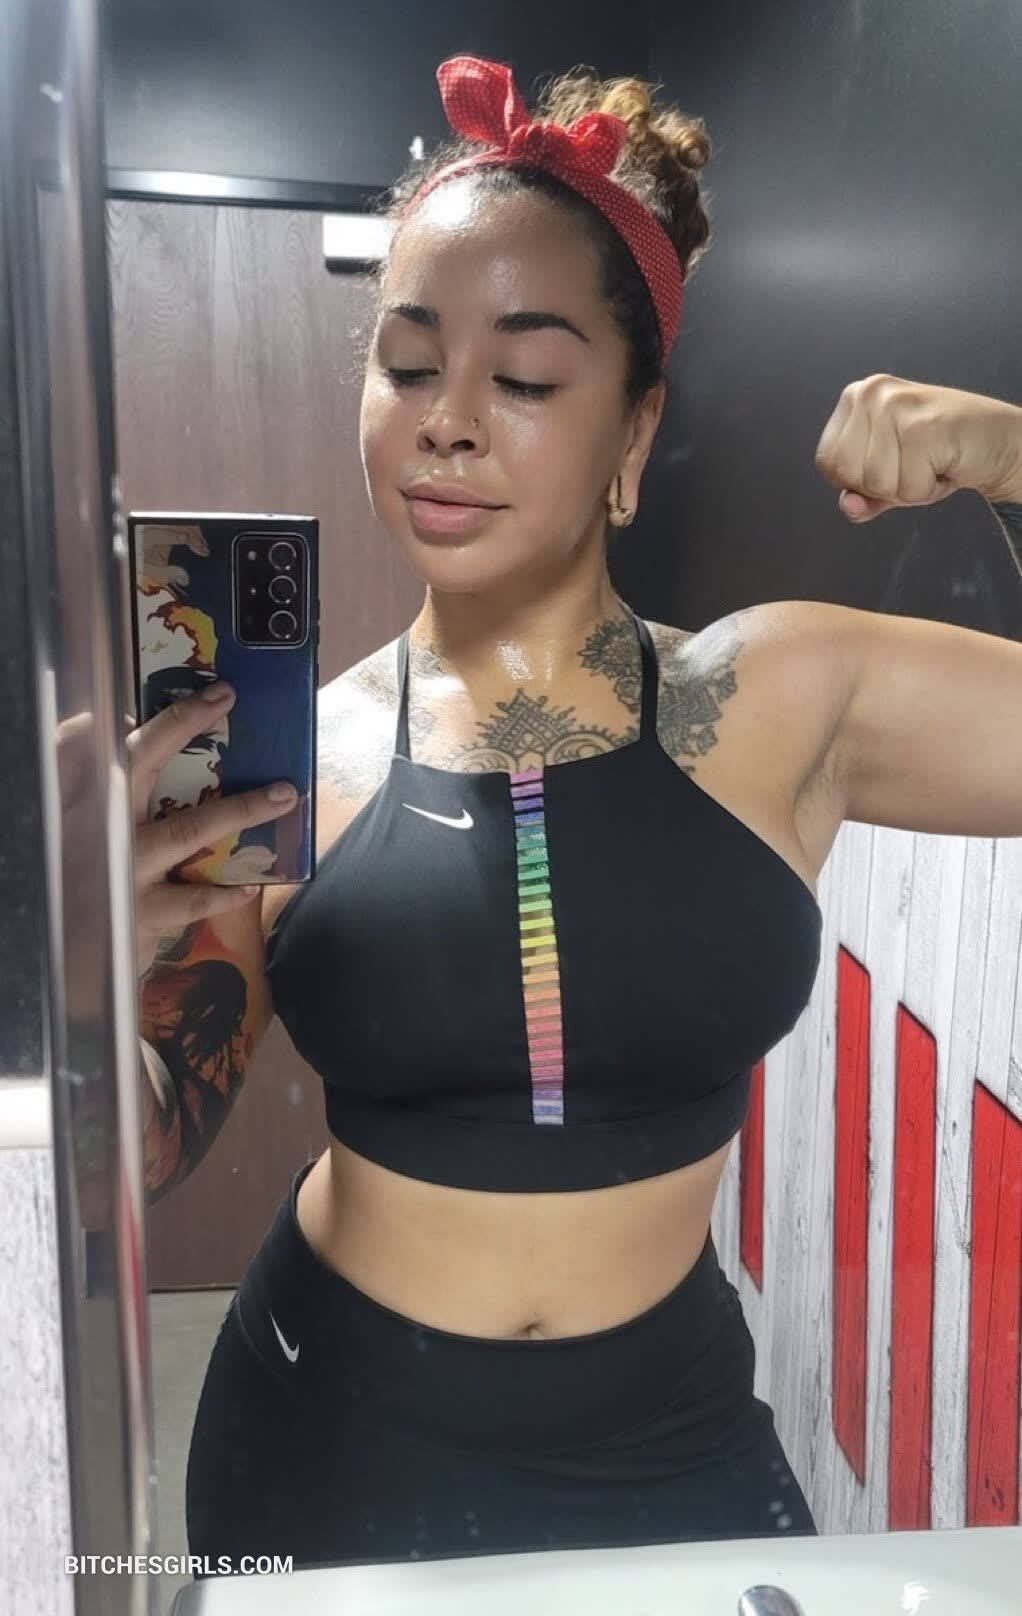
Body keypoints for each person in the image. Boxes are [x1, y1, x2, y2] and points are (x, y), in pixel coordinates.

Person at [134, 54, 830, 1570]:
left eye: (522, 378)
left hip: (673, 1442)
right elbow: (144, 1147)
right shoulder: (286, 763)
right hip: (324, 1438)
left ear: (634, 430)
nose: (446, 422)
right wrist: (75, 970)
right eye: (405, 365)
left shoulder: (780, 695)